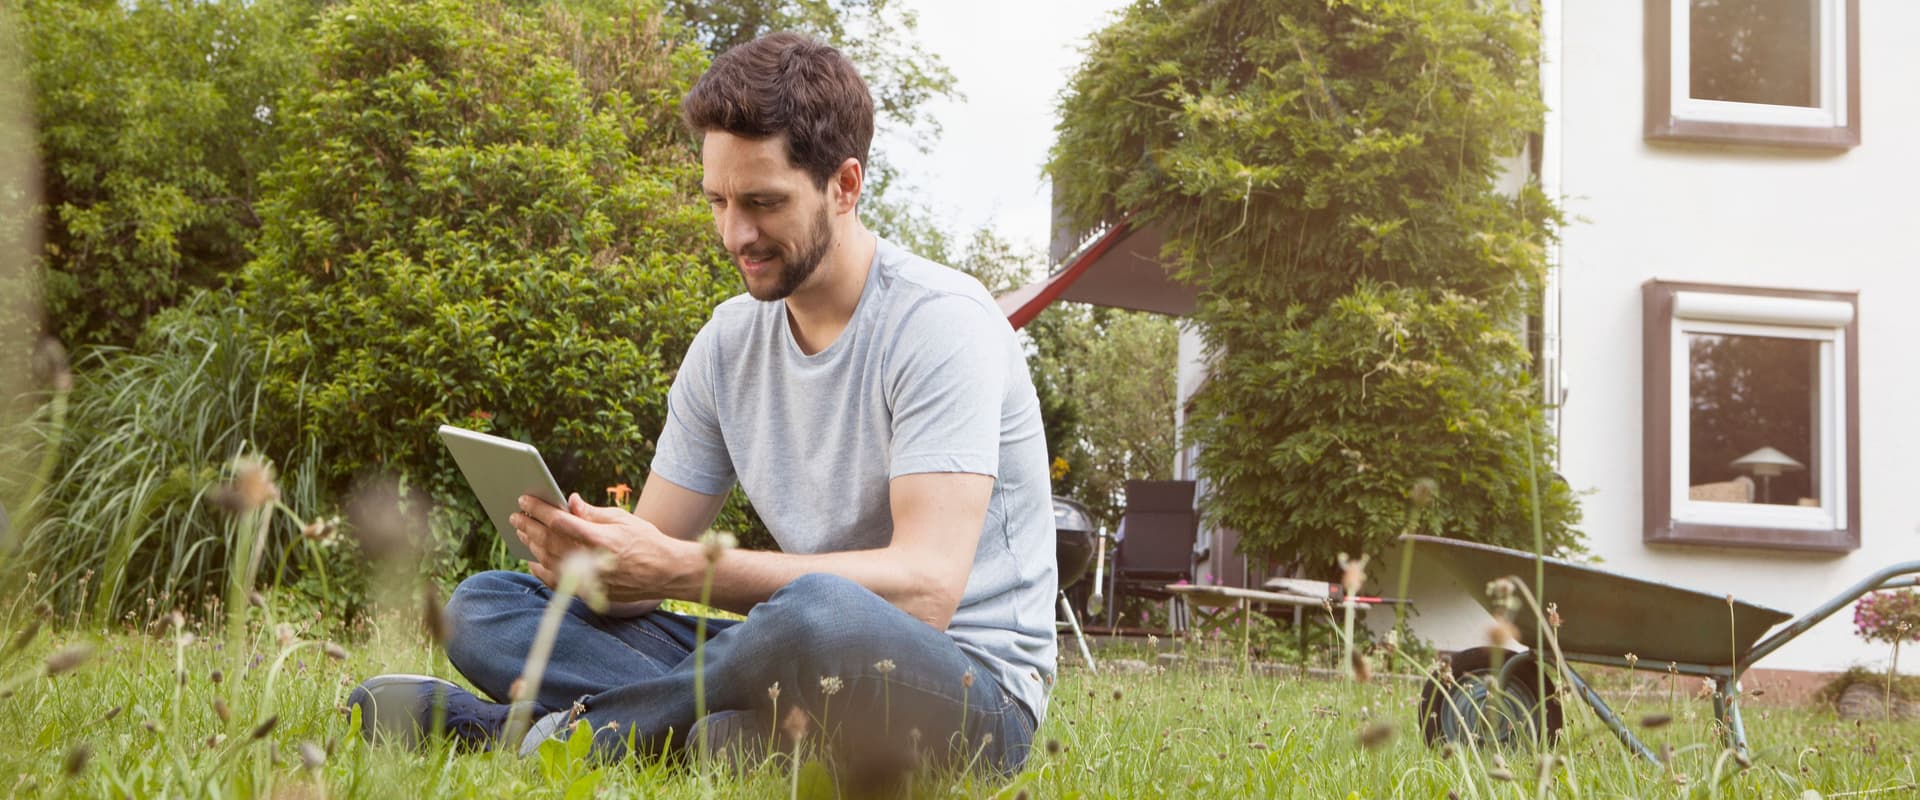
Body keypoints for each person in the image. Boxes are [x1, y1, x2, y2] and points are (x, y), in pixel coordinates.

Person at [348, 32, 1057, 776]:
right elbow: (646, 573)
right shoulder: (728, 344)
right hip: (783, 667)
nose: (734, 234)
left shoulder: (941, 322)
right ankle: (707, 730)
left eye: (763, 203)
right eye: (718, 201)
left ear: (845, 186)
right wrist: (596, 558)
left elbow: (924, 593)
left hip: (964, 692)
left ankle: (535, 732)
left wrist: (684, 570)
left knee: (820, 613)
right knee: (488, 607)